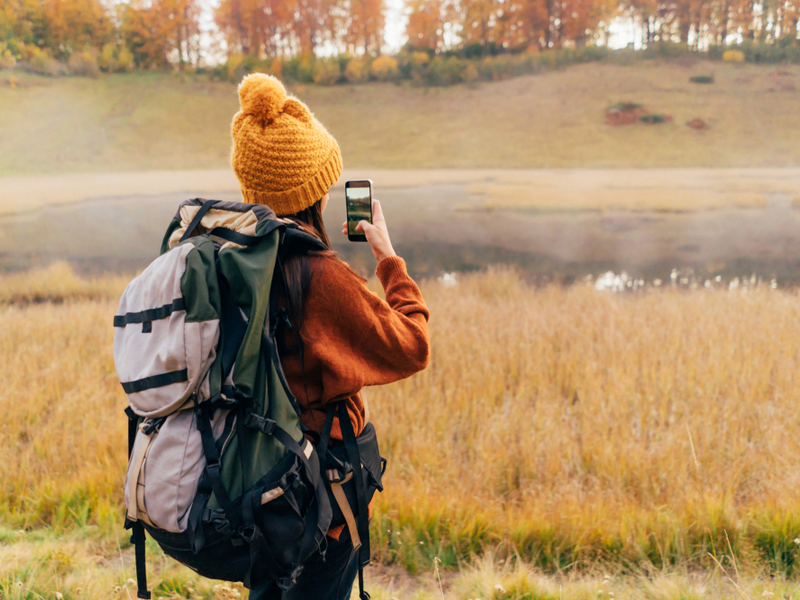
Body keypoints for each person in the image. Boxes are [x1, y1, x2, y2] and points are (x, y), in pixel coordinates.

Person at [230, 73, 431, 600]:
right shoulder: (319, 277)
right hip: (323, 497)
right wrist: (388, 259)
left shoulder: (233, 265)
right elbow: (413, 345)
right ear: (314, 192)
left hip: (255, 486)